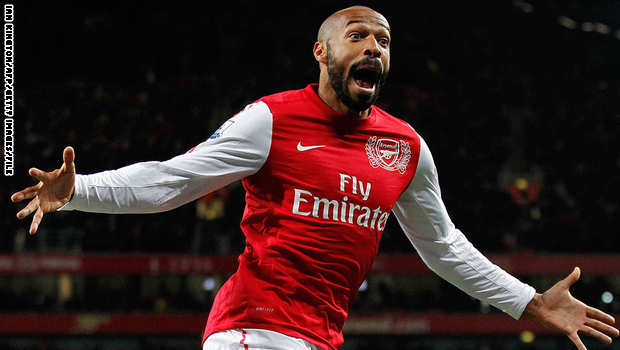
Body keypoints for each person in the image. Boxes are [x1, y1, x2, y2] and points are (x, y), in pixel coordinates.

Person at [11, 6, 618, 350]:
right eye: (357, 36)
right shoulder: (271, 119)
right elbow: (173, 182)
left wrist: (529, 302)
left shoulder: (405, 146)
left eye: (383, 39)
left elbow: (444, 248)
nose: (374, 47)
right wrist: (78, 191)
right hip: (254, 329)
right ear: (322, 53)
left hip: (320, 337)